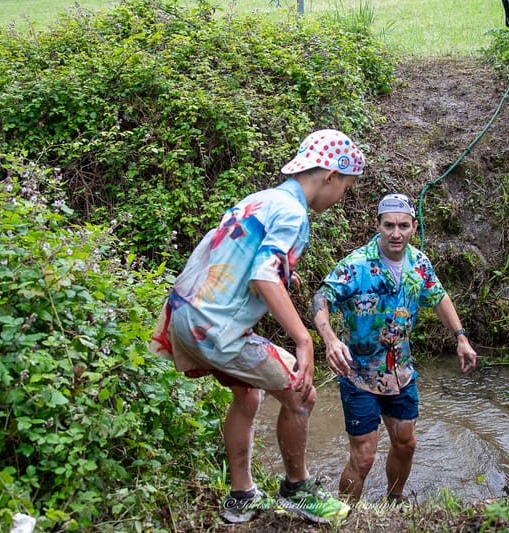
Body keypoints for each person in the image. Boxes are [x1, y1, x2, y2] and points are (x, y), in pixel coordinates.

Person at [148, 129, 365, 524]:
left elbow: (236, 256)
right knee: (302, 394)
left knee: (247, 395)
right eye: (346, 189)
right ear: (330, 175)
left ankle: (241, 496)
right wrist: (304, 340)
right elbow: (263, 276)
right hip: (215, 329)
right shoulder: (295, 214)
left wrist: (284, 275)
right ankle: (298, 489)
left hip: (181, 316)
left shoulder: (262, 199)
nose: (341, 199)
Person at [311, 192, 478, 503]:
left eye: (403, 226)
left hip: (400, 371)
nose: (396, 233)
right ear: (378, 225)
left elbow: (439, 297)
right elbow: (320, 299)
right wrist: (330, 339)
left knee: (406, 442)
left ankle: (394, 501)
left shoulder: (419, 263)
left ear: (414, 226)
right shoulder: (356, 265)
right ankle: (346, 516)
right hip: (358, 374)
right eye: (389, 225)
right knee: (363, 456)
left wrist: (461, 337)